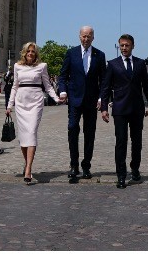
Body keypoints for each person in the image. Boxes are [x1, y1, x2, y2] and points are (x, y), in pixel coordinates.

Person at [100, 34, 148, 189]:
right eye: (122, 45)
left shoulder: (140, 63)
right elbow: (105, 88)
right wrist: (104, 108)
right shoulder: (112, 64)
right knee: (121, 142)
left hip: (137, 109)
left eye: (127, 45)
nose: (124, 48)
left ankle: (135, 168)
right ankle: (121, 175)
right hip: (120, 109)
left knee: (137, 142)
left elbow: (147, 87)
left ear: (133, 46)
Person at [5, 41, 62, 184]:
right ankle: (27, 164)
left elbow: (48, 86)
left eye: (33, 51)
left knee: (31, 132)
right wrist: (9, 105)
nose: (30, 53)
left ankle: (28, 168)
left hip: (35, 101)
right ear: (24, 53)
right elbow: (15, 86)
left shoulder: (42, 66)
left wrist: (56, 98)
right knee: (24, 136)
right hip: (21, 102)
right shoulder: (17, 66)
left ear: (36, 54)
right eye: (28, 51)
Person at [57, 25, 107, 183]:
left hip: (92, 101)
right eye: (84, 36)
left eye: (89, 36)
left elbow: (104, 80)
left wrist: (102, 98)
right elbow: (63, 76)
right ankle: (74, 165)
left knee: (89, 133)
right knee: (72, 129)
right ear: (79, 36)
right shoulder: (71, 53)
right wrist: (63, 91)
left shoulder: (100, 55)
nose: (86, 39)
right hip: (74, 99)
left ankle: (86, 166)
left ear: (93, 37)